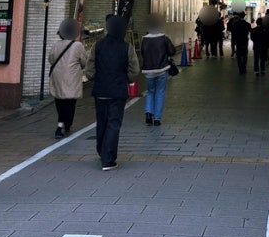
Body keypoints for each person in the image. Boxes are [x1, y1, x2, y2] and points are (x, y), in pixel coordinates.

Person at [85, 14, 139, 170]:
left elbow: (89, 69)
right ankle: (108, 159)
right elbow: (134, 70)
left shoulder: (98, 46)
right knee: (113, 124)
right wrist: (125, 79)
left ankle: (101, 151)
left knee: (102, 122)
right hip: (118, 92)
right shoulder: (127, 48)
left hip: (100, 90)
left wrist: (95, 77)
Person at [47, 18, 87, 139]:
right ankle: (65, 124)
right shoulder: (78, 45)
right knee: (70, 102)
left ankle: (60, 125)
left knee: (59, 101)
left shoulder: (56, 45)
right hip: (71, 78)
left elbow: (51, 59)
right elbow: (84, 62)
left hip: (58, 77)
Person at [140, 14, 176, 126]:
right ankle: (157, 119)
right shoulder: (164, 38)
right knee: (160, 93)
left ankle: (148, 112)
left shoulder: (144, 39)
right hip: (162, 69)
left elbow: (142, 53)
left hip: (148, 71)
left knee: (150, 92)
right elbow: (172, 51)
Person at [228, 9, 251, 74]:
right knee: (245, 55)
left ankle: (240, 68)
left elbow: (233, 32)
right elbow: (250, 31)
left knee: (239, 55)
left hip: (238, 41)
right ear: (244, 16)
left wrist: (234, 40)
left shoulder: (236, 24)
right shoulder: (247, 24)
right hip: (245, 41)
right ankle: (244, 67)